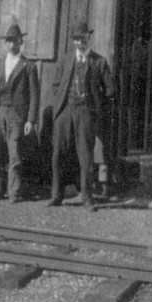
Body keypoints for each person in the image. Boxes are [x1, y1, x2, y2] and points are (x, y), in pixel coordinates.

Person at [48, 23, 114, 210]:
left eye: (82, 38)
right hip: (65, 111)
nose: (79, 42)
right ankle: (56, 195)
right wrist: (60, 104)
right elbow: (55, 85)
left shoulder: (99, 62)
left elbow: (110, 90)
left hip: (86, 113)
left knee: (85, 156)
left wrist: (96, 107)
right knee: (58, 153)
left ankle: (86, 197)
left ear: (88, 38)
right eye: (76, 39)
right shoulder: (66, 59)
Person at [0, 24, 40, 203]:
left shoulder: (28, 66)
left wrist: (31, 120)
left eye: (14, 40)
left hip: (17, 115)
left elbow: (34, 96)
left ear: (20, 42)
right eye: (8, 41)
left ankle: (14, 192)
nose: (11, 44)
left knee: (15, 154)